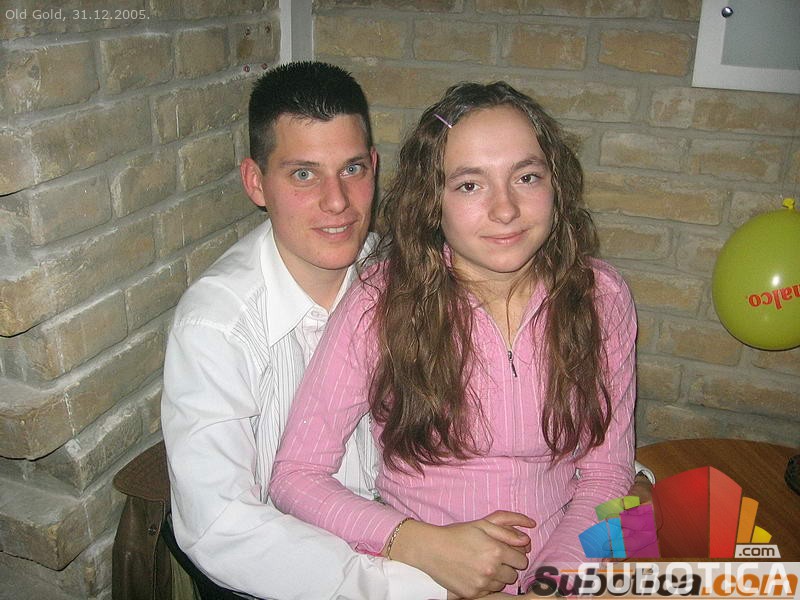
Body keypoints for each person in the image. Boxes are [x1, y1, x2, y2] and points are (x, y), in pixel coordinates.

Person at [160, 62, 540, 600]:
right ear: (255, 182)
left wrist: (615, 478)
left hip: (426, 538)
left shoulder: (402, 275)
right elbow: (219, 527)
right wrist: (415, 580)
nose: (337, 201)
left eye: (353, 169)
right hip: (301, 579)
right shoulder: (216, 326)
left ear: (375, 167)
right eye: (303, 174)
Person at [270, 81, 639, 595]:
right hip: (421, 579)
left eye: (526, 177)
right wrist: (417, 544)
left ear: (556, 184)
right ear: (432, 201)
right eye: (469, 185)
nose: (505, 210)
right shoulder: (380, 303)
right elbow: (295, 475)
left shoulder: (601, 297)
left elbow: (607, 476)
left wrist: (551, 584)